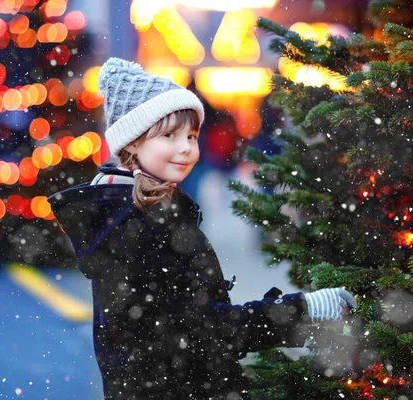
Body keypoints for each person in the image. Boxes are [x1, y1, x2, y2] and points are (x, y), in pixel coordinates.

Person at [48, 58, 357, 400]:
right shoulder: (135, 226)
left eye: (192, 135)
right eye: (170, 135)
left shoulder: (140, 213)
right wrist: (303, 310)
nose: (186, 147)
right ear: (132, 143)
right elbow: (204, 330)